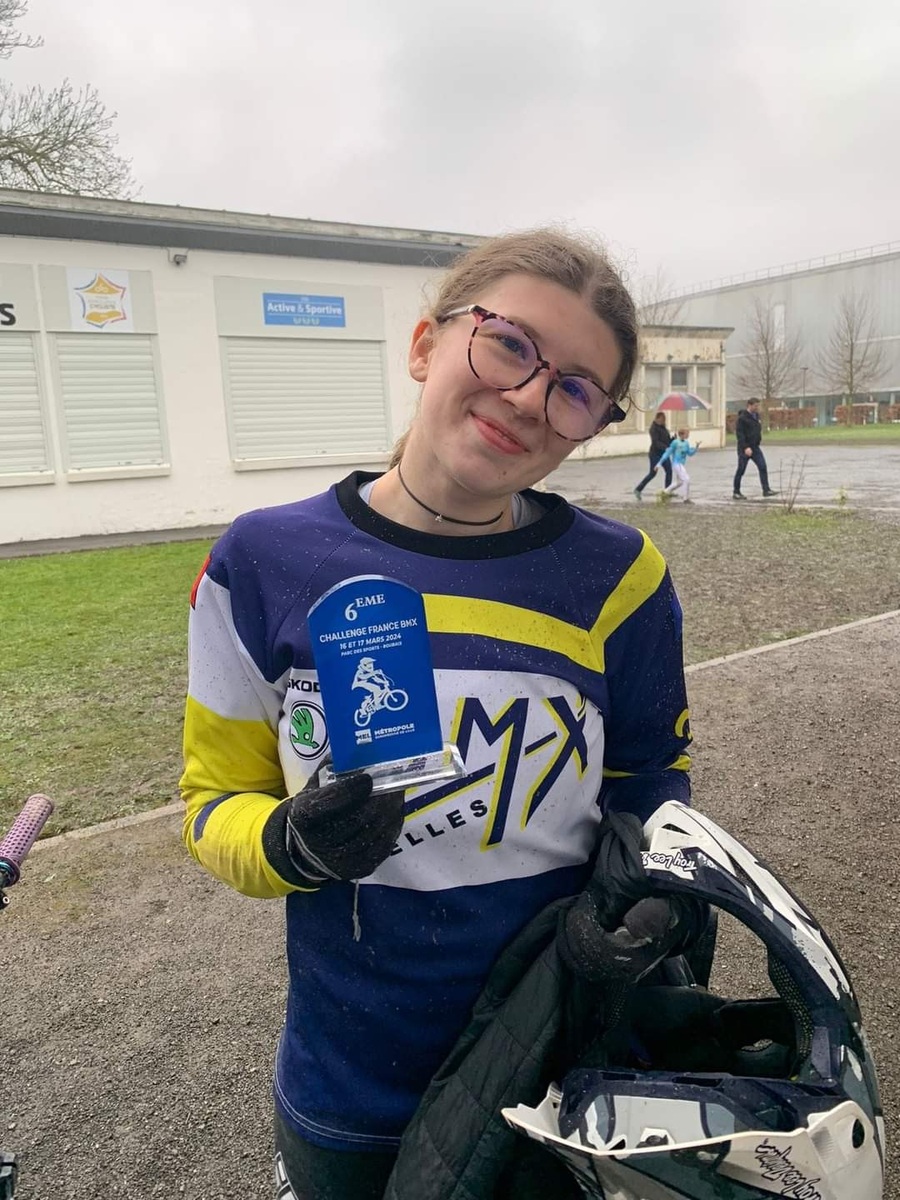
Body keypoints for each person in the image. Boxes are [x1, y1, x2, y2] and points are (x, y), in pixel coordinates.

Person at [180, 228, 695, 1200]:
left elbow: (650, 781)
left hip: (549, 1065)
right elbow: (213, 805)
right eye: (509, 345)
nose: (530, 398)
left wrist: (649, 890)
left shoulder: (622, 579)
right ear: (426, 344)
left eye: (575, 389)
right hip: (349, 1089)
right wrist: (289, 844)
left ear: (589, 426)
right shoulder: (261, 565)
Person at [733, 397, 778, 499]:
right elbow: (740, 435)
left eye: (758, 406)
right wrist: (745, 447)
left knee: (762, 466)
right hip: (745, 448)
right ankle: (736, 492)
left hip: (755, 447)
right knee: (741, 469)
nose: (757, 408)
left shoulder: (756, 416)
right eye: (755, 406)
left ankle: (766, 489)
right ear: (749, 405)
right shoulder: (742, 418)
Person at [632, 411, 673, 499]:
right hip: (655, 454)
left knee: (669, 471)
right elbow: (656, 442)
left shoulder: (664, 428)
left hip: (664, 454)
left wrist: (673, 439)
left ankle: (667, 491)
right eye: (662, 419)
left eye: (664, 420)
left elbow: (667, 441)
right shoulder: (653, 429)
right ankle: (638, 489)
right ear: (657, 418)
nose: (664, 421)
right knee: (652, 473)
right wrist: (665, 447)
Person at [657, 427, 699, 502]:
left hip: (681, 465)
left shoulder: (686, 443)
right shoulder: (675, 443)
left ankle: (664, 492)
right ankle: (685, 499)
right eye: (687, 433)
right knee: (686, 479)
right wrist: (659, 463)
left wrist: (696, 448)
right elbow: (667, 453)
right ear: (681, 434)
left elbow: (689, 453)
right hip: (676, 464)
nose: (688, 435)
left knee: (679, 482)